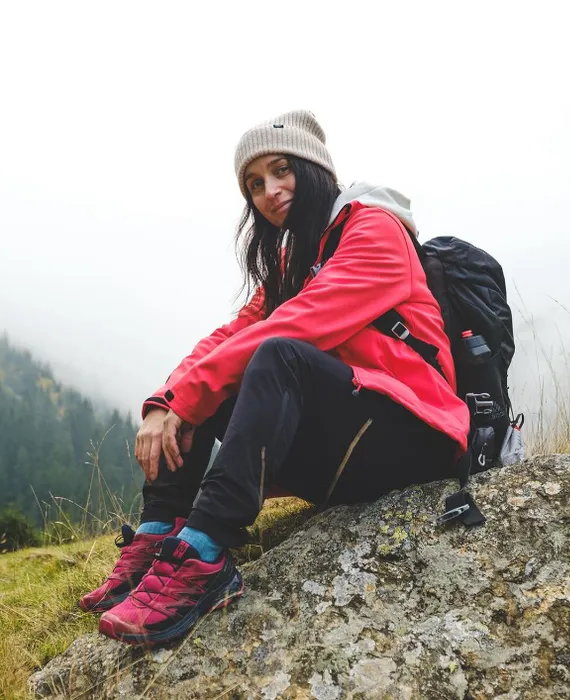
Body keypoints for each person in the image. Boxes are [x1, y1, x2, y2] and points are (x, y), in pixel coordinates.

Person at [80, 110, 470, 646]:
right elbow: (232, 333)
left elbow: (296, 326)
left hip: (413, 440)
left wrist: (189, 397)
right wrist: (166, 400)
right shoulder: (296, 258)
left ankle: (204, 553)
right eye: (254, 183)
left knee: (274, 355)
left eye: (282, 170)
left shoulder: (375, 230)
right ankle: (155, 534)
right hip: (346, 450)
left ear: (314, 170)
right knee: (220, 372)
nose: (270, 191)